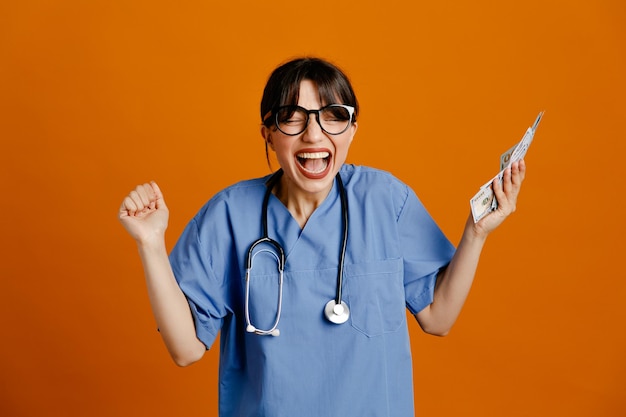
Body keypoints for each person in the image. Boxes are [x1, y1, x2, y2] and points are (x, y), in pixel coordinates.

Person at [118, 57, 526, 417]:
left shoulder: (384, 200)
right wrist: (151, 244)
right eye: (292, 118)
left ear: (351, 130)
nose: (313, 135)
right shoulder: (229, 215)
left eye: (332, 115)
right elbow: (185, 349)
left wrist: (475, 233)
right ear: (268, 134)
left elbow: (438, 318)